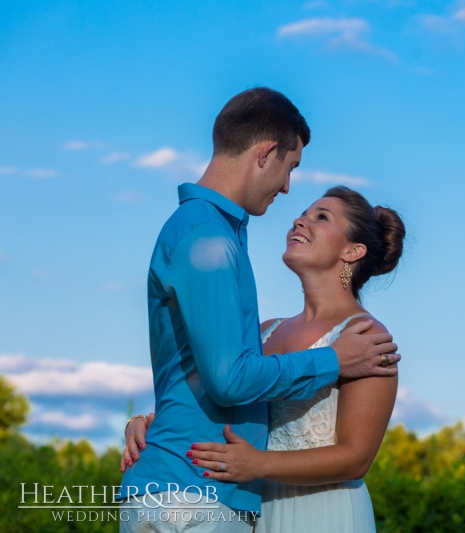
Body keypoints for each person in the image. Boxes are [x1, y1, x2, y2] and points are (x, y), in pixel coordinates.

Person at [117, 88, 400, 533]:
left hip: (312, 511)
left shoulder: (366, 338)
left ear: (354, 251)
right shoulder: (219, 251)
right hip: (220, 501)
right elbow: (227, 381)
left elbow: (357, 456)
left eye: (321, 217)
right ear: (267, 153)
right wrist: (151, 422)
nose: (292, 200)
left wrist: (254, 462)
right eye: (291, 169)